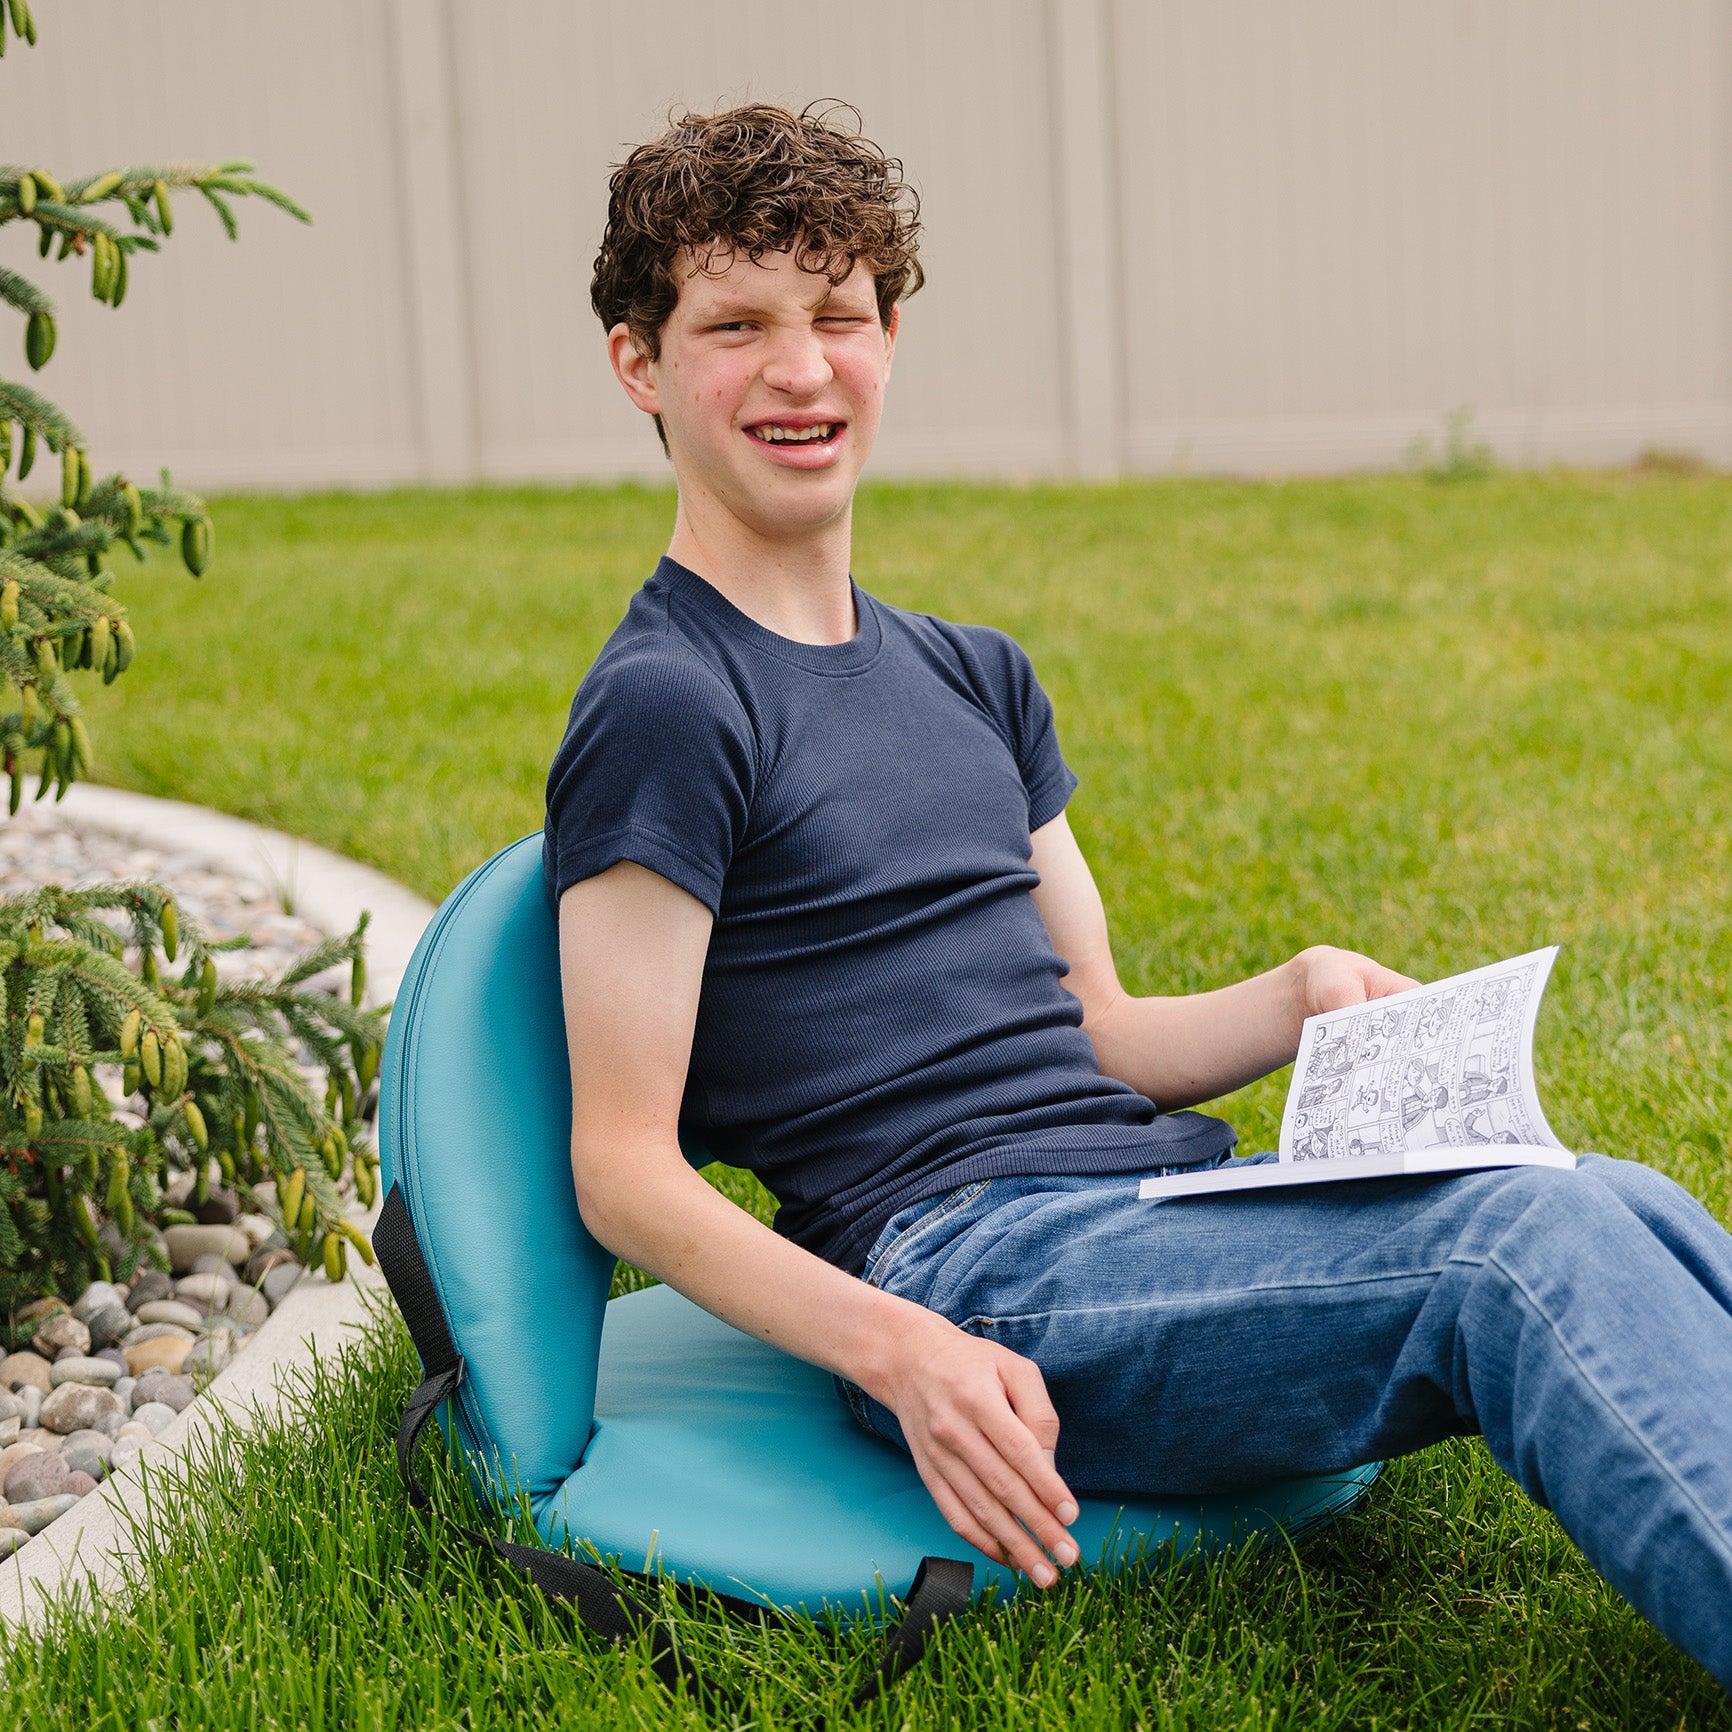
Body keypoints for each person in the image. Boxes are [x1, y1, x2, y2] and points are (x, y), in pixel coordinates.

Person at [544, 103, 1732, 1688]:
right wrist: (907, 1355)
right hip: (964, 1271)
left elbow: (1093, 1031)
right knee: (1515, 1250)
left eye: (839, 314)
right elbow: (621, 1169)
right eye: (736, 327)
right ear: (640, 363)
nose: (803, 369)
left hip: (1144, 1208)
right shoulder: (669, 705)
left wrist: (1296, 996)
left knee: (1614, 1198)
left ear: (891, 338)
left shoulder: (972, 675)